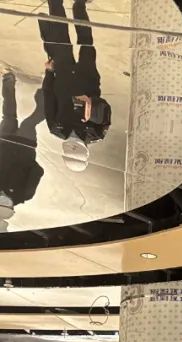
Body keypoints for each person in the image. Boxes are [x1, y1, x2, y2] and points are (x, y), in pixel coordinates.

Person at [39, 0, 111, 159]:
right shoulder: (97, 133)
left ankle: (55, 3)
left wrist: (49, 73)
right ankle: (79, 6)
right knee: (86, 43)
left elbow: (48, 95)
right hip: (88, 78)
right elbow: (106, 108)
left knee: (59, 39)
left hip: (63, 77)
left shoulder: (56, 128)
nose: (73, 144)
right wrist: (91, 103)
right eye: (76, 148)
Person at [1, 69, 45, 228]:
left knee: (9, 116)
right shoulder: (24, 194)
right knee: (28, 122)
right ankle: (47, 88)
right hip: (22, 145)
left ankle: (8, 79)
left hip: (7, 141)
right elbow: (38, 171)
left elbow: (37, 171)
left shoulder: (23, 195)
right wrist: (25, 162)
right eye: (5, 204)